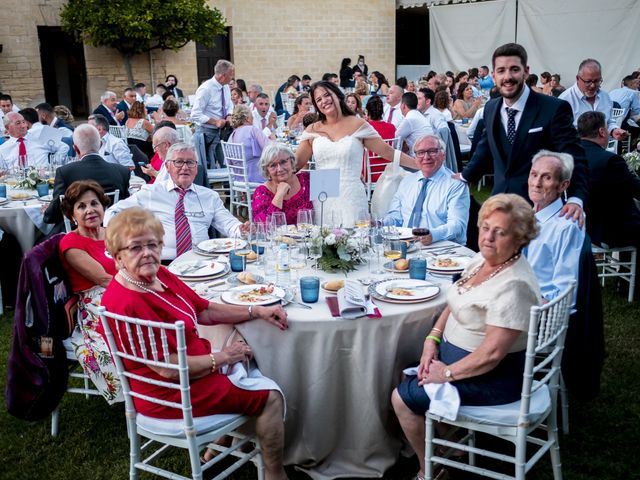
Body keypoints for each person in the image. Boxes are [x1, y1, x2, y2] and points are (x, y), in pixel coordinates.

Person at [101, 207, 288, 480]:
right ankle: (275, 473)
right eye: (135, 248)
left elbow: (204, 310)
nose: (147, 253)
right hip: (169, 394)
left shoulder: (159, 276)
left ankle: (220, 442)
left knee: (246, 345)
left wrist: (256, 310)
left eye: (152, 244)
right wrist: (223, 357)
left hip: (192, 374)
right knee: (271, 397)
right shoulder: (127, 302)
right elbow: (168, 369)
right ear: (118, 257)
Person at [391, 193, 540, 480]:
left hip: (493, 378)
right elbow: (457, 297)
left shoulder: (514, 285)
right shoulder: (482, 260)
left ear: (520, 238)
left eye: (500, 232)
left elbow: (492, 355)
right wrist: (431, 340)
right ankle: (452, 449)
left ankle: (430, 470)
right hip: (464, 364)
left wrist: (445, 373)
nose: (488, 238)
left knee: (401, 398)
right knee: (405, 370)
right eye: (486, 228)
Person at [459, 43, 588, 226]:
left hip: (539, 210)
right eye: (501, 70)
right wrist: (465, 176)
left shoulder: (553, 108)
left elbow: (574, 156)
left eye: (514, 69)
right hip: (500, 205)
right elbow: (486, 147)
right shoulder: (491, 108)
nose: (508, 77)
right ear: (494, 75)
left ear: (526, 72)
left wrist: (576, 198)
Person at [295, 81, 415, 226]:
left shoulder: (358, 124)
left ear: (337, 95)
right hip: (322, 194)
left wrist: (420, 165)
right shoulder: (313, 129)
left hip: (350, 195)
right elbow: (295, 164)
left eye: (327, 95)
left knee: (354, 239)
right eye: (318, 99)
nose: (324, 101)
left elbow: (389, 153)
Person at [105, 143, 248, 262]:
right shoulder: (151, 193)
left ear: (196, 168)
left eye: (190, 162)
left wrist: (242, 229)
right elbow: (113, 212)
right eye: (179, 162)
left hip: (202, 263)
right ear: (167, 167)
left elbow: (230, 224)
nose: (185, 167)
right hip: (163, 265)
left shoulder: (210, 196)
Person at [58, 180, 121, 403]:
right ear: (72, 215)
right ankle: (144, 387)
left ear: (103, 207)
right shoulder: (71, 243)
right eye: (81, 206)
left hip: (124, 287)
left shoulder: (111, 232)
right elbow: (104, 279)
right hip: (97, 302)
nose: (90, 210)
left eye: (94, 203)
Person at [384, 135, 469, 245]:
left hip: (441, 247)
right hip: (406, 245)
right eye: (420, 152)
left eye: (432, 151)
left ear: (443, 155)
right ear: (415, 157)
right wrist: (380, 223)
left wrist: (433, 235)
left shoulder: (456, 184)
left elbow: (457, 225)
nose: (426, 157)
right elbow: (396, 216)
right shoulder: (407, 181)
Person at [524, 151, 584, 307]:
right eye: (534, 174)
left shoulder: (565, 227)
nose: (536, 183)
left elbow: (565, 291)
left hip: (537, 312)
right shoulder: (524, 216)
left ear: (563, 185)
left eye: (547, 177)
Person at [44, 124, 131, 230]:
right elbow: (126, 207)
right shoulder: (122, 171)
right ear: (100, 145)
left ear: (75, 148)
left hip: (77, 231)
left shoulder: (65, 172)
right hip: (113, 231)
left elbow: (56, 211)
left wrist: (47, 212)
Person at [577, 111, 640, 249]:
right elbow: (636, 189)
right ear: (602, 132)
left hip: (585, 226)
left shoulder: (571, 156)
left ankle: (625, 267)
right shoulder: (610, 160)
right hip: (611, 231)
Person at [559, 59, 628, 142]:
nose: (592, 86)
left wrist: (614, 130)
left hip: (601, 150)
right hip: (577, 150)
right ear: (577, 78)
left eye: (597, 81)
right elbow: (561, 132)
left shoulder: (605, 97)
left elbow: (609, 122)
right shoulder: (565, 100)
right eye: (588, 82)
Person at [252, 143, 312, 225]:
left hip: (310, 235)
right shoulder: (262, 192)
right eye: (273, 165)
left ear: (291, 162)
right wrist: (279, 195)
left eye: (283, 162)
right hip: (278, 237)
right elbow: (262, 226)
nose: (280, 169)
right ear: (267, 171)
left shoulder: (306, 180)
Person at [191, 60, 234, 168]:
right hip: (206, 132)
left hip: (222, 131)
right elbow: (195, 114)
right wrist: (215, 122)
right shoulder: (206, 89)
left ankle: (227, 184)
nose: (232, 78)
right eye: (231, 75)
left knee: (225, 162)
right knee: (206, 166)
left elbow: (229, 105)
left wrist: (229, 115)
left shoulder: (225, 87)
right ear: (223, 76)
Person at [0, 112, 67, 168]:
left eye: (23, 122)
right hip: (16, 181)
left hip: (43, 179)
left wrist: (53, 164)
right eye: (18, 123)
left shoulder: (41, 133)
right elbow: (4, 172)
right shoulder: (2, 149)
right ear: (7, 127)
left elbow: (64, 147)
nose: (23, 126)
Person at [228, 104, 271, 183]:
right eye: (252, 116)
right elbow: (271, 149)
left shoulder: (231, 136)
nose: (253, 118)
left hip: (239, 180)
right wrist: (274, 139)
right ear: (247, 118)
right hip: (258, 178)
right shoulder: (252, 130)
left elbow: (229, 162)